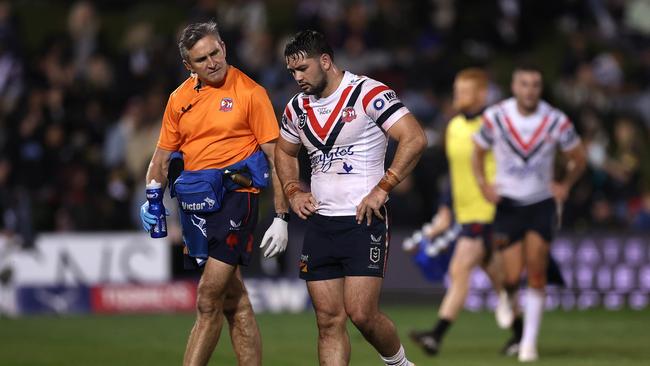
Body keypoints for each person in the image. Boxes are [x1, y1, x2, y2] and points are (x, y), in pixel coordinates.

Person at [139, 21, 289, 366]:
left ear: (224, 46)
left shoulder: (251, 93)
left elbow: (277, 157)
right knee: (235, 301)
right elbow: (161, 157)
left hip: (237, 198)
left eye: (215, 52)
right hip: (195, 203)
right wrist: (151, 196)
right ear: (188, 66)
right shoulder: (179, 99)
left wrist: (281, 217)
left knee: (208, 299)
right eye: (202, 59)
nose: (212, 62)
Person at [274, 30, 427, 366]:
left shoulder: (366, 93)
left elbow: (414, 138)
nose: (297, 78)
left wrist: (384, 187)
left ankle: (400, 364)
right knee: (328, 321)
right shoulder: (296, 107)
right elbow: (284, 153)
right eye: (292, 72)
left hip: (363, 222)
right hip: (320, 224)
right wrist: (293, 190)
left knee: (362, 314)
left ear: (325, 61)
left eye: (302, 69)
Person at [472, 64, 586, 362]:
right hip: (508, 204)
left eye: (535, 84)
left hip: (541, 203)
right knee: (511, 276)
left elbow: (579, 156)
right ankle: (508, 298)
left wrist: (565, 184)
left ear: (540, 87)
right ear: (514, 86)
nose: (530, 90)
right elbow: (478, 153)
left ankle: (528, 344)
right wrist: (484, 185)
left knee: (536, 271)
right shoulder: (496, 117)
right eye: (525, 84)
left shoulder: (555, 120)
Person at [409, 68, 519, 357]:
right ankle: (521, 334)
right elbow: (453, 173)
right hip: (466, 213)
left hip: (492, 213)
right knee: (498, 281)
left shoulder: (494, 126)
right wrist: (446, 209)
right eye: (456, 90)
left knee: (461, 270)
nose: (457, 95)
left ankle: (435, 336)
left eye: (464, 91)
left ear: (481, 94)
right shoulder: (455, 126)